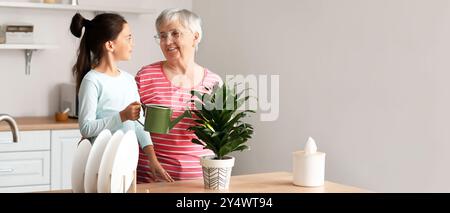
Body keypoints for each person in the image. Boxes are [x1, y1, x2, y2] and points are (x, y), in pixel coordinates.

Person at [70, 13, 173, 182]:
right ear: (110, 45)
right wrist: (122, 116)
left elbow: (140, 124)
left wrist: (152, 159)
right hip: (101, 166)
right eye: (128, 38)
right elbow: (86, 128)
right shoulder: (92, 81)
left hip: (128, 163)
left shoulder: (128, 80)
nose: (132, 43)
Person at [135, 8, 223, 182]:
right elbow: (131, 125)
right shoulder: (146, 76)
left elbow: (221, 134)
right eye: (162, 35)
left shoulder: (214, 82)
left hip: (200, 181)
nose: (167, 42)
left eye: (175, 33)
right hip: (151, 180)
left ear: (195, 37)